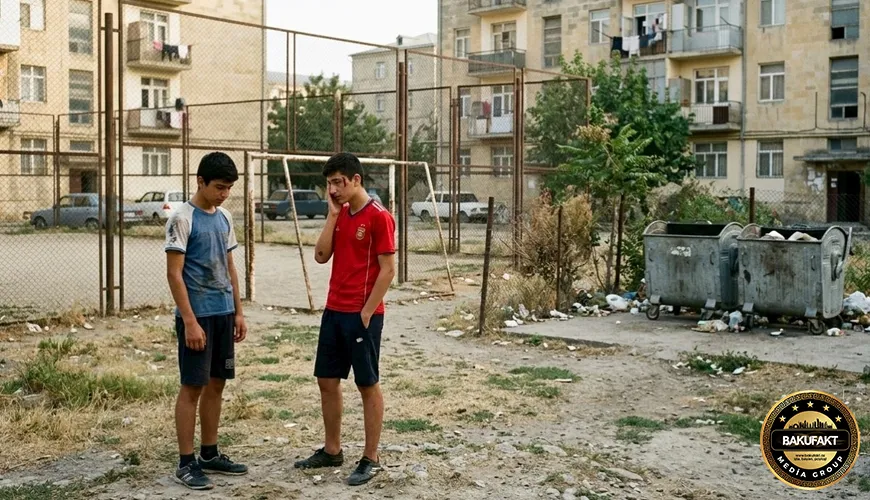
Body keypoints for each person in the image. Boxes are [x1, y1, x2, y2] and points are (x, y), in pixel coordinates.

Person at [294, 152, 396, 486]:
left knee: (367, 384)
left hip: (362, 315)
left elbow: (388, 270)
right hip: (334, 310)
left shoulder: (379, 216)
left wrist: (366, 311)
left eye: (338, 182)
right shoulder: (341, 214)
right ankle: (332, 449)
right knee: (327, 380)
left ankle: (371, 457)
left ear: (356, 180)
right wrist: (332, 215)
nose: (333, 190)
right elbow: (321, 255)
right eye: (329, 184)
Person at [165, 152, 248, 490]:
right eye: (219, 187)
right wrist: (189, 320)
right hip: (197, 317)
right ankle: (186, 463)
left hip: (223, 314)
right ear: (200, 181)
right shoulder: (182, 218)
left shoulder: (224, 216)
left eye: (228, 188)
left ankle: (209, 453)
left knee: (217, 384)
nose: (224, 194)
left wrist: (238, 311)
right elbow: (174, 274)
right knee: (192, 387)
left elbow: (230, 268)